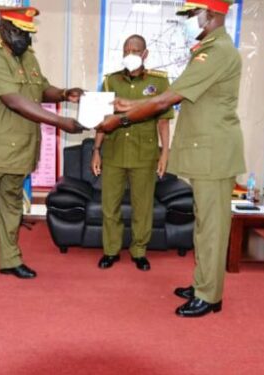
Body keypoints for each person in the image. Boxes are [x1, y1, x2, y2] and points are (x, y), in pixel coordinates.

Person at [96, 0, 245, 317]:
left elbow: (167, 98)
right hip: (206, 153)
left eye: (193, 13)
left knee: (212, 228)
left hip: (215, 154)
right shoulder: (206, 49)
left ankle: (209, 295)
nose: (190, 20)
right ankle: (202, 283)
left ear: (213, 14)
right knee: (204, 225)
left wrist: (122, 115)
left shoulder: (216, 52)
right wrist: (123, 106)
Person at [0, 5, 85, 288]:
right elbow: (14, 100)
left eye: (28, 34)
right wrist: (60, 122)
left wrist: (64, 93)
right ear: (4, 28)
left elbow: (41, 89)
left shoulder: (26, 55)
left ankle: (10, 259)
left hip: (18, 148)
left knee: (12, 206)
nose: (25, 40)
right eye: (19, 33)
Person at [91, 35, 174, 271]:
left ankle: (139, 251)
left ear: (145, 54)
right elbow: (102, 120)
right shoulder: (110, 82)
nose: (130, 54)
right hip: (115, 151)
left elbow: (164, 123)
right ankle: (111, 250)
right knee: (110, 206)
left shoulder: (159, 83)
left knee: (143, 206)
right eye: (126, 49)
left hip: (144, 154)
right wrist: (96, 150)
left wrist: (164, 154)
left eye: (135, 50)